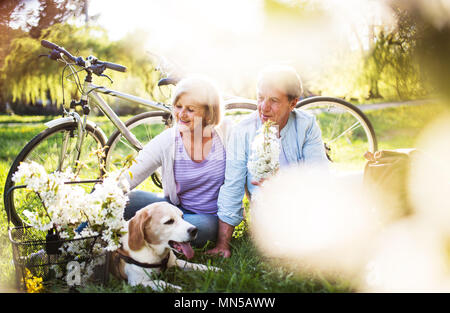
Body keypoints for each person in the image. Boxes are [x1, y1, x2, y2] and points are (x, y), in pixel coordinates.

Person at [206, 65, 329, 258]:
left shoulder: (306, 125)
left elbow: (319, 176)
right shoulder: (242, 131)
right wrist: (223, 244)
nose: (263, 107)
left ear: (293, 103)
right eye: (260, 97)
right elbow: (232, 187)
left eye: (274, 101)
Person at [122, 75, 230, 247]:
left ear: (209, 112)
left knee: (203, 228)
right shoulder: (168, 140)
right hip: (173, 210)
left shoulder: (227, 134)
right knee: (127, 199)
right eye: (178, 107)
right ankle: (77, 239)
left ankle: (148, 232)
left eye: (190, 109)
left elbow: (243, 180)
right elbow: (131, 173)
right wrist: (102, 196)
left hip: (209, 218)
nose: (181, 114)